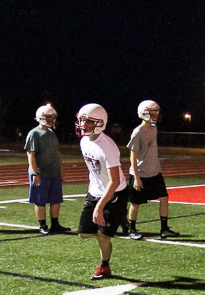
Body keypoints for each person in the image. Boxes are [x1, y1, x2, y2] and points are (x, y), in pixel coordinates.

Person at [76, 103, 128, 279]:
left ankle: (104, 266)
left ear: (100, 123)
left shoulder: (108, 146)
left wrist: (99, 206)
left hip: (114, 193)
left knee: (102, 235)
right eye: (82, 120)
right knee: (84, 233)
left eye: (88, 122)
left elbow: (113, 182)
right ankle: (120, 217)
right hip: (96, 191)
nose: (83, 125)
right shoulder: (84, 141)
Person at [126, 99, 178, 240]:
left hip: (154, 172)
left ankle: (164, 229)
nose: (156, 114)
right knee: (135, 203)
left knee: (164, 198)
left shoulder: (154, 128)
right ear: (144, 113)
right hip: (140, 174)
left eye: (156, 111)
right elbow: (133, 156)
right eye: (153, 111)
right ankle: (132, 229)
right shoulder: (137, 132)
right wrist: (136, 177)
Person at [24, 104, 69, 235]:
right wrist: (35, 173)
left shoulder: (51, 133)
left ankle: (55, 224)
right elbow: (30, 155)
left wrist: (61, 170)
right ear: (41, 117)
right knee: (40, 200)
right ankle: (43, 225)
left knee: (56, 200)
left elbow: (57, 153)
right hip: (41, 172)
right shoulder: (34, 133)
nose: (52, 120)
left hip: (53, 172)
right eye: (50, 117)